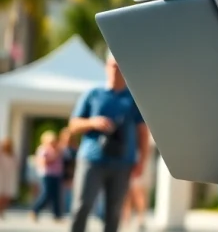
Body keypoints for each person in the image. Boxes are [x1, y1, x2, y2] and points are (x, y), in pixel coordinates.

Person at [68, 51, 150, 232]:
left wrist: (142, 161)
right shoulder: (93, 94)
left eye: (120, 67)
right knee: (82, 206)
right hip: (91, 160)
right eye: (113, 66)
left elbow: (142, 132)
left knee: (113, 213)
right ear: (106, 67)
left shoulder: (133, 98)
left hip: (122, 163)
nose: (116, 70)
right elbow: (73, 125)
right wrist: (92, 122)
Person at [30, 130, 65, 222]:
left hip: (57, 174)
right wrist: (54, 156)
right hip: (47, 174)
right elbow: (43, 162)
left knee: (56, 195)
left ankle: (57, 215)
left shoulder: (57, 149)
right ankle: (35, 210)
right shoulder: (43, 149)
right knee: (46, 194)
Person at [0, 138, 15, 219]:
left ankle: (3, 210)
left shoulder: (12, 154)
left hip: (9, 176)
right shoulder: (1, 153)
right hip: (2, 175)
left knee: (7, 194)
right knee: (1, 194)